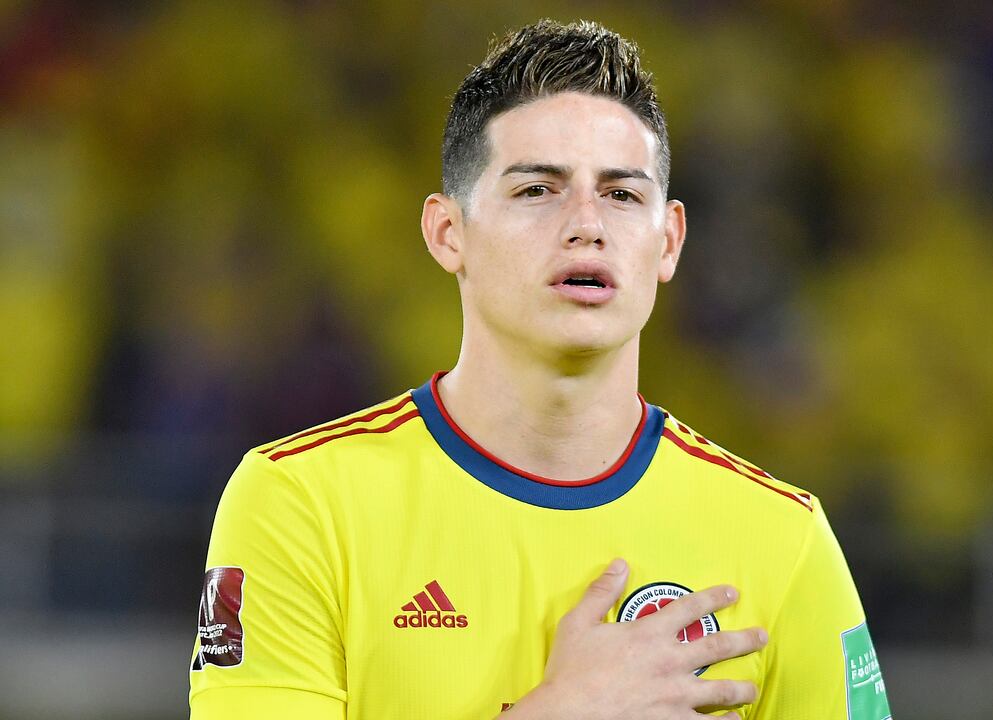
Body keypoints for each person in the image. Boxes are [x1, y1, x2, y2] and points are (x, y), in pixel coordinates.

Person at [189, 18, 891, 720]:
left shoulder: (783, 537)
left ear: (669, 242)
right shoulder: (298, 504)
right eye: (537, 190)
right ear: (448, 233)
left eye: (621, 194)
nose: (587, 224)